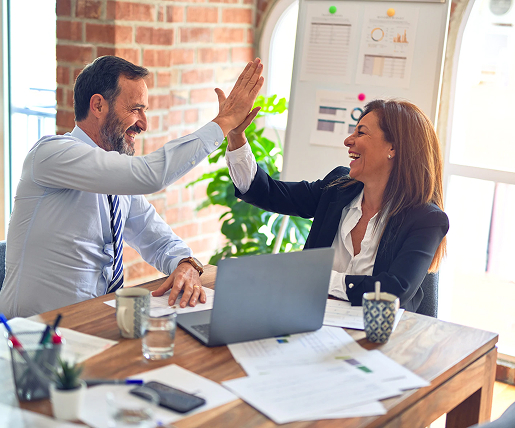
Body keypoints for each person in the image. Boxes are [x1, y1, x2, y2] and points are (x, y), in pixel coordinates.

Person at [0, 55, 263, 318]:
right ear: (98, 105)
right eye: (136, 109)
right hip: (31, 337)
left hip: (93, 327)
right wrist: (224, 122)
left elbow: (157, 239)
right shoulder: (52, 154)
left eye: (144, 111)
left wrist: (186, 263)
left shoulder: (115, 181)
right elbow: (150, 175)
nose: (144, 124)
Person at [225, 99, 449, 312]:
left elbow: (393, 291)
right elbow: (267, 192)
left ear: (393, 148)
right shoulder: (337, 188)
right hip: (312, 323)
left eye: (361, 132)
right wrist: (236, 137)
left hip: (381, 340)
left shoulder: (426, 219)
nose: (348, 140)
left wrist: (317, 278)